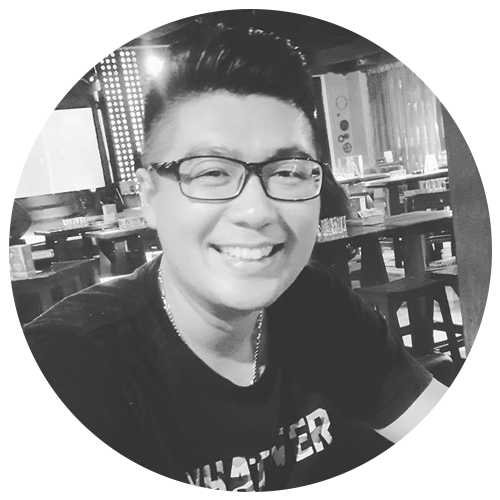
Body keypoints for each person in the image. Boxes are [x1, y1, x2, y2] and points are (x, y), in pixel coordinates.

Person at [10, 22, 467, 492]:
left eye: (288, 171)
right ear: (149, 197)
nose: (256, 211)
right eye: (211, 172)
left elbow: (454, 428)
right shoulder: (61, 364)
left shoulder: (316, 302)